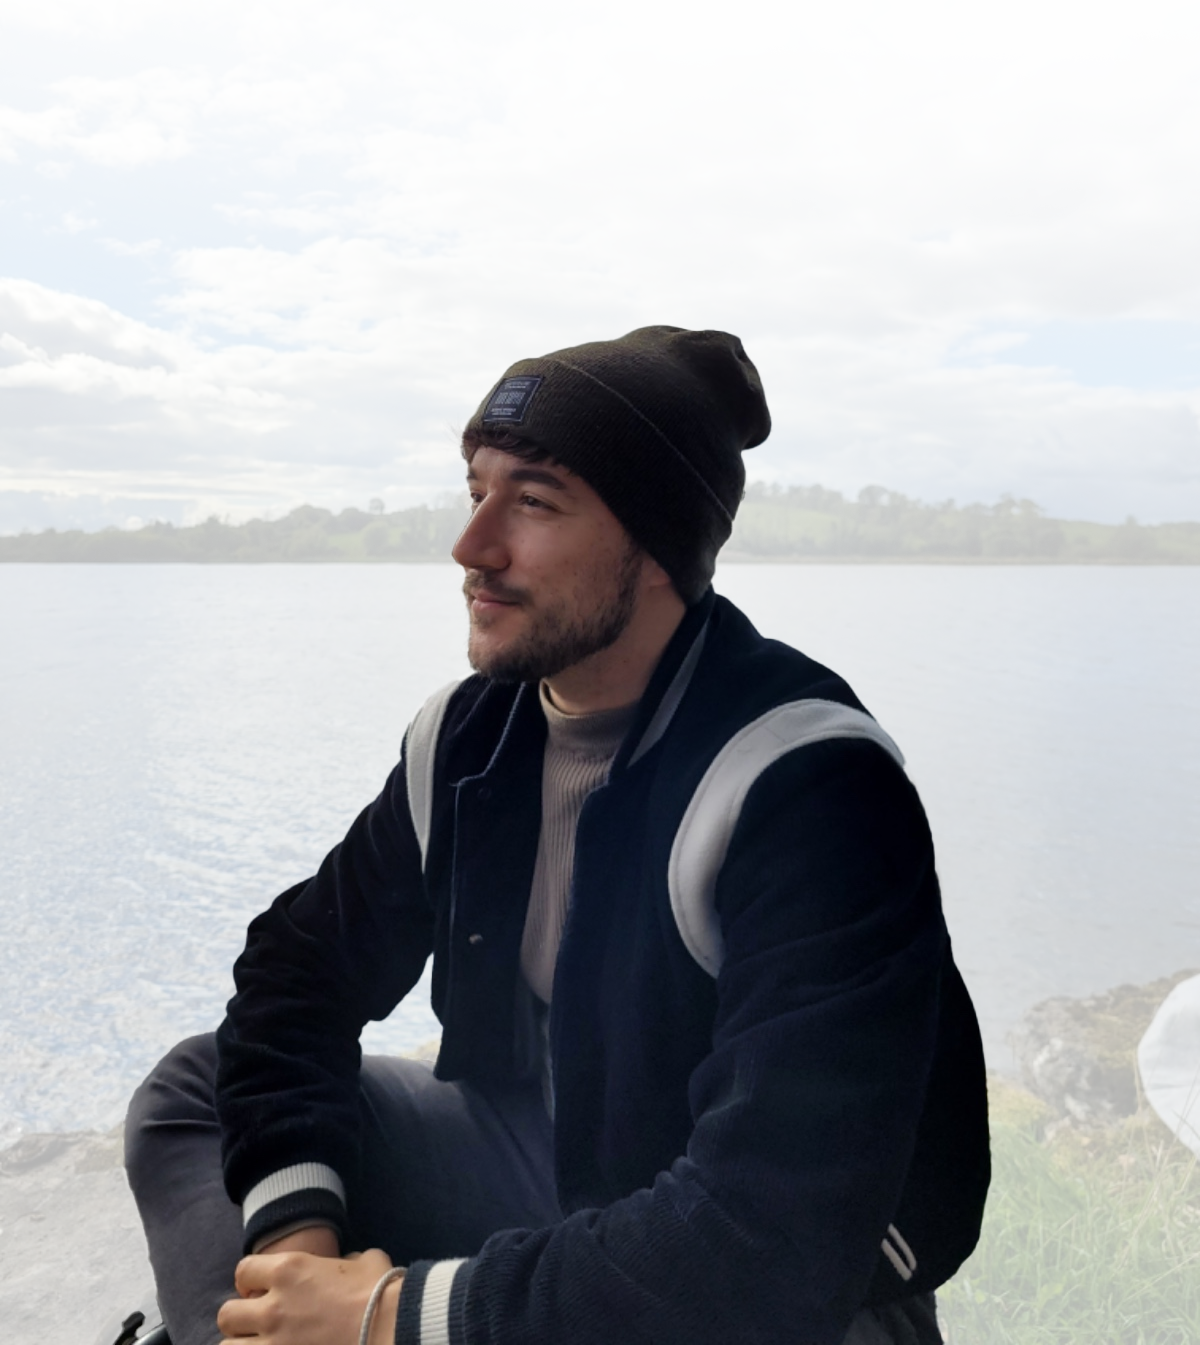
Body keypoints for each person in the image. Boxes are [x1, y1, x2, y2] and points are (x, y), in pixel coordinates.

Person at [121, 325, 990, 1345]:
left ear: (658, 547)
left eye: (533, 501)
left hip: (795, 1273)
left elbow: (770, 1235)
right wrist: (298, 1261)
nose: (471, 546)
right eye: (475, 492)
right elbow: (298, 976)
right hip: (554, 1163)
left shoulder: (809, 782)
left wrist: (386, 1314)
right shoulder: (468, 736)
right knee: (194, 1088)